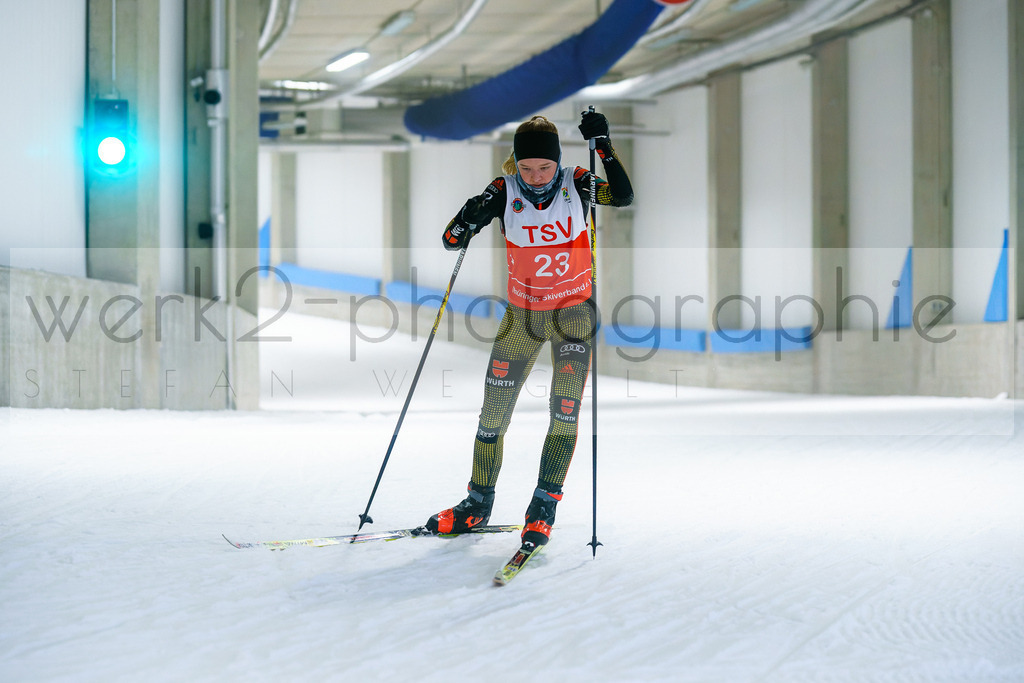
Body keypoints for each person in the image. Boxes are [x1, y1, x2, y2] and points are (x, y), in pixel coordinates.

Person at [424, 110, 633, 549]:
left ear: (557, 163)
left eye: (544, 167)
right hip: (522, 317)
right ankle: (476, 504)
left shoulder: (578, 182)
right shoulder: (504, 190)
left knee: (564, 414)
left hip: (573, 315)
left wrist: (604, 146)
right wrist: (468, 217)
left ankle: (542, 509)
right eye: (526, 167)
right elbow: (450, 239)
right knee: (492, 416)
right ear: (514, 164)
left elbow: (624, 196)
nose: (535, 176)